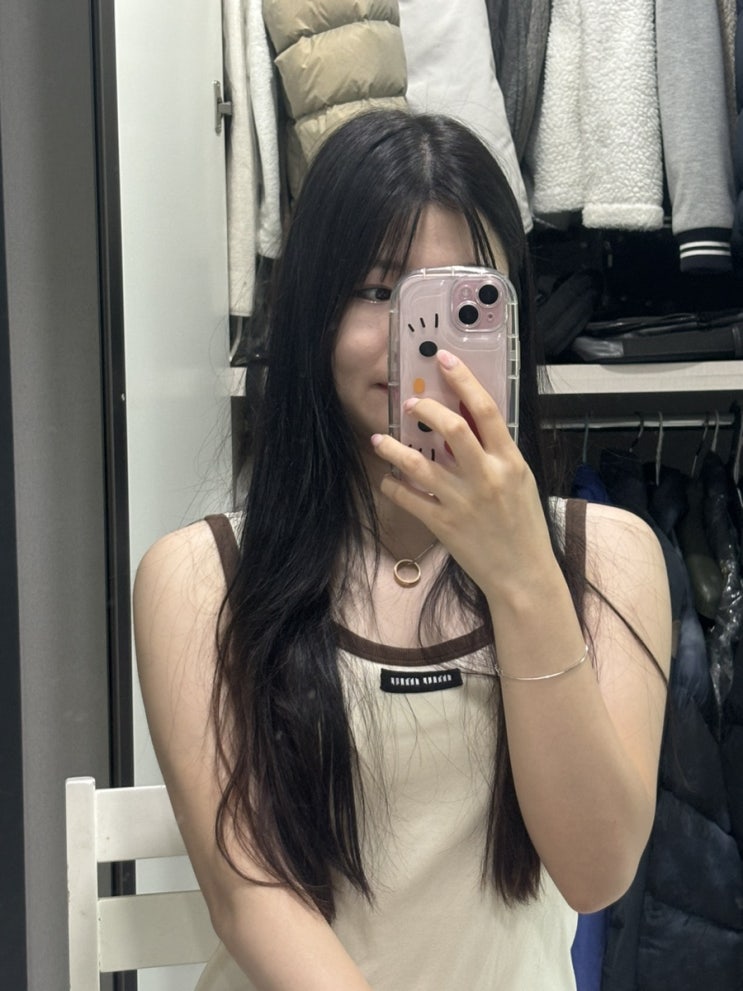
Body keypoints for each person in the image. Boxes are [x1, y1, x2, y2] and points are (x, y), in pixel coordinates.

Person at [133, 111, 672, 991]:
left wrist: (521, 575)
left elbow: (594, 867)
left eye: (461, 301)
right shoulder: (201, 578)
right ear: (309, 312)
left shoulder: (604, 557)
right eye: (377, 291)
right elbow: (251, 896)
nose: (417, 342)